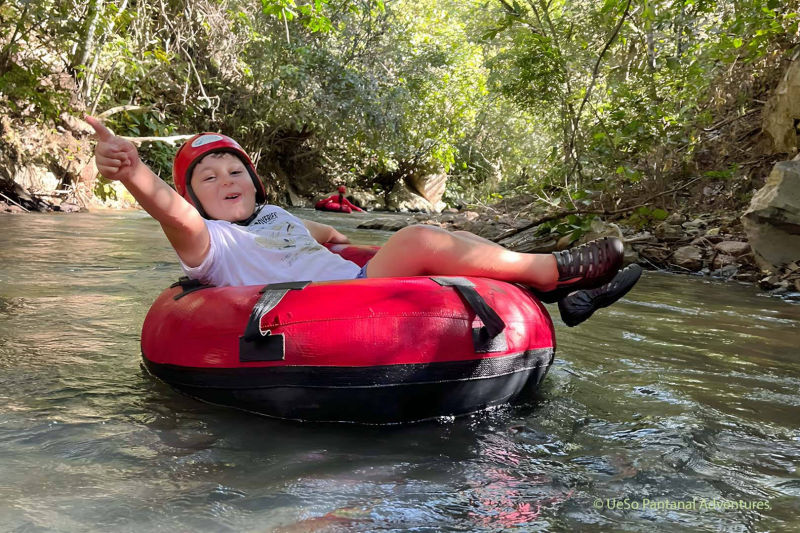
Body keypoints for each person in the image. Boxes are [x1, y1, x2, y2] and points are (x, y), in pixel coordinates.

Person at [86, 117, 641, 326]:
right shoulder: (209, 240)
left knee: (459, 239)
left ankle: (564, 300)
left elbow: (318, 236)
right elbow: (170, 210)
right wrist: (134, 173)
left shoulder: (274, 216)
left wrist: (334, 237)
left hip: (353, 283)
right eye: (209, 178)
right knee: (420, 236)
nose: (227, 180)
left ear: (256, 183)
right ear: (196, 200)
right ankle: (549, 273)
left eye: (236, 170)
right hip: (331, 311)